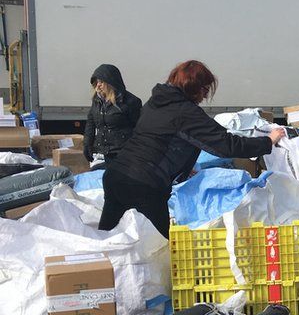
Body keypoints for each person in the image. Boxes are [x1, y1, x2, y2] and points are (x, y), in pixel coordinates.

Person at [98, 60, 285, 238]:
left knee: (106, 239)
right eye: (205, 89)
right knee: (167, 246)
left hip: (115, 176)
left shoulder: (155, 103)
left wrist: (182, 169)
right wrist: (267, 141)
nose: (205, 96)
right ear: (193, 86)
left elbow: (156, 142)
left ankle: (93, 271)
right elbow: (226, 145)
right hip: (144, 185)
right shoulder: (185, 111)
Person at [83, 64, 142, 166]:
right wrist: (87, 144)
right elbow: (91, 122)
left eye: (101, 82)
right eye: (96, 82)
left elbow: (139, 128)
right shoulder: (97, 100)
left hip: (125, 152)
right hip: (107, 152)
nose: (98, 85)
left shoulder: (130, 101)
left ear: (111, 82)